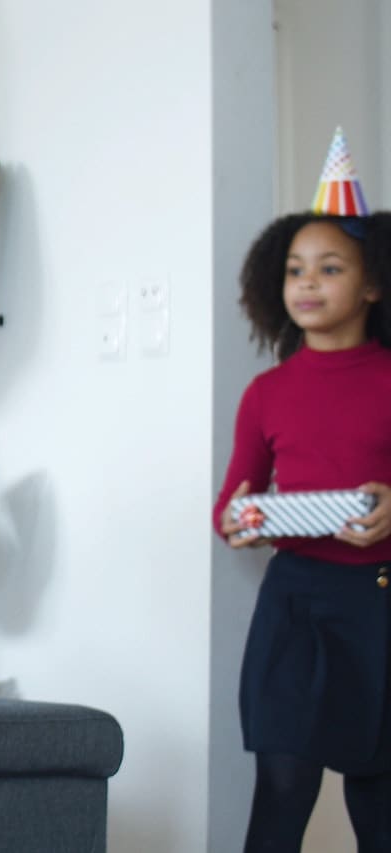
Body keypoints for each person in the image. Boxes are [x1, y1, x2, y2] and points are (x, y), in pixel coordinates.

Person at [214, 129, 391, 852]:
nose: (308, 284)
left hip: (378, 606)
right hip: (291, 606)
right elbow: (231, 502)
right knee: (281, 792)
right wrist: (239, 520)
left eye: (329, 268)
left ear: (374, 281)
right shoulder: (266, 391)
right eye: (295, 270)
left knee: (379, 804)